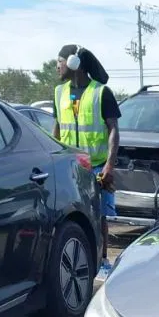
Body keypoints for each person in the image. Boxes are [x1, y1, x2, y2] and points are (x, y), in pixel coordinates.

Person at [52, 44, 121, 281]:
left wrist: (110, 166)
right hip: (71, 166)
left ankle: (102, 260)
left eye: (59, 61)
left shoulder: (101, 92)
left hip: (98, 166)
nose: (57, 66)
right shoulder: (59, 92)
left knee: (99, 216)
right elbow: (58, 128)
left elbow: (113, 128)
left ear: (72, 63)